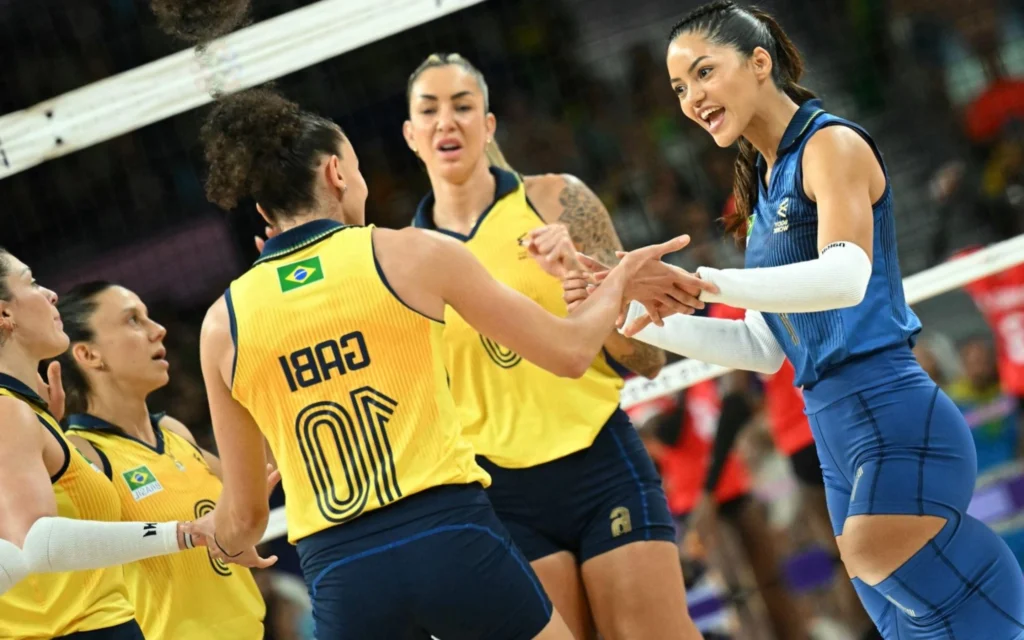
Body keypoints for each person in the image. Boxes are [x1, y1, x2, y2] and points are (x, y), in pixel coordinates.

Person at [563, 2, 1024, 637]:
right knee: (906, 622)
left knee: (890, 566)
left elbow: (844, 277)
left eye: (703, 73)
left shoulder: (831, 144)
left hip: (891, 411)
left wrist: (703, 282)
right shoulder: (764, 183)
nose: (691, 98)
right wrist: (640, 310)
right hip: (831, 430)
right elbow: (761, 345)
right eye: (678, 87)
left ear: (759, 63)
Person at [192, 87, 683, 640]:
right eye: (356, 166)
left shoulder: (221, 323)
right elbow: (570, 354)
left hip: (343, 576)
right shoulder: (412, 253)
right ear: (335, 172)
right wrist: (615, 283)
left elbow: (245, 521)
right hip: (452, 542)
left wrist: (211, 535)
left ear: (263, 212)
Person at [404, 52, 707, 640]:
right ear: (411, 135)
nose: (448, 122)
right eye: (430, 110)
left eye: (463, 106)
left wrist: (588, 299)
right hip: (502, 496)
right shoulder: (403, 260)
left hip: (601, 465)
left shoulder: (558, 201)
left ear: (488, 125)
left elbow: (648, 360)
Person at [0, 249, 263, 639]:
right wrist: (184, 533)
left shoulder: (29, 419)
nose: (51, 293)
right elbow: (36, 545)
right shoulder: (24, 420)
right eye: (33, 281)